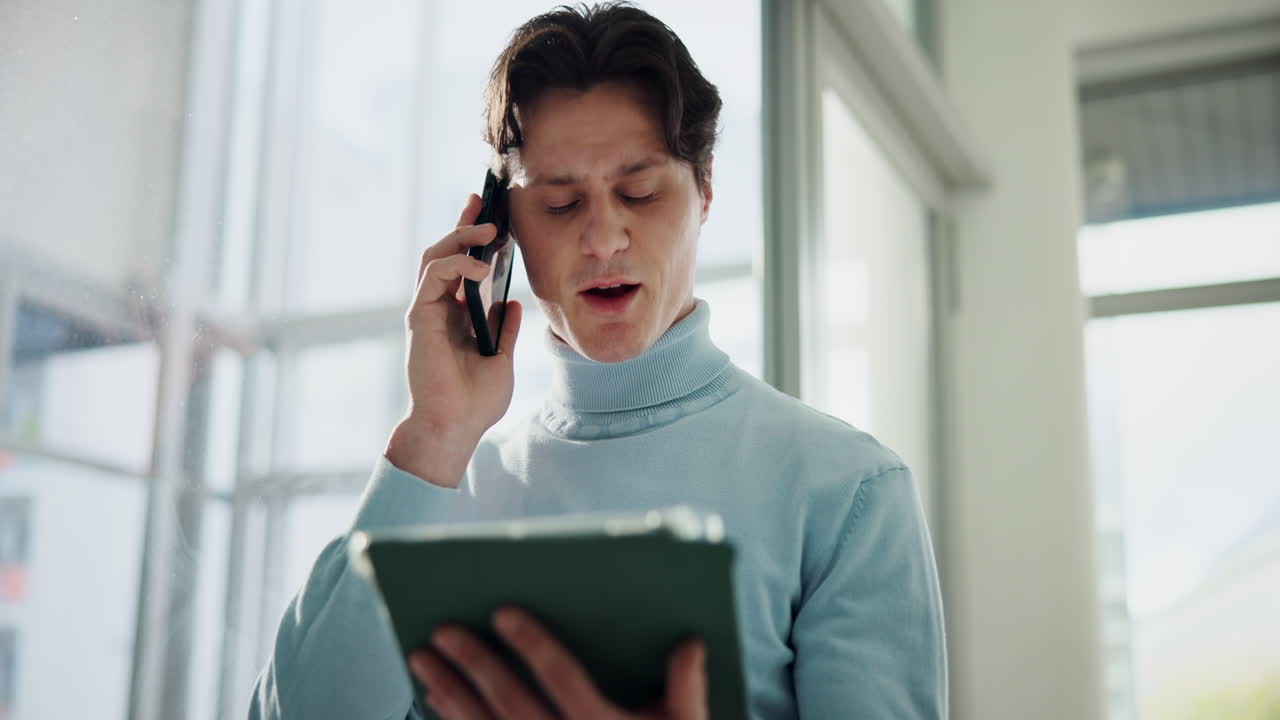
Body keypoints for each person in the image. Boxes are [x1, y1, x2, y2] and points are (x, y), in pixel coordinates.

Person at [249, 2, 946, 718]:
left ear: (705, 189)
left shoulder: (845, 492)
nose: (604, 238)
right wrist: (434, 434)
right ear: (501, 231)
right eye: (557, 204)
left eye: (639, 192)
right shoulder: (439, 497)